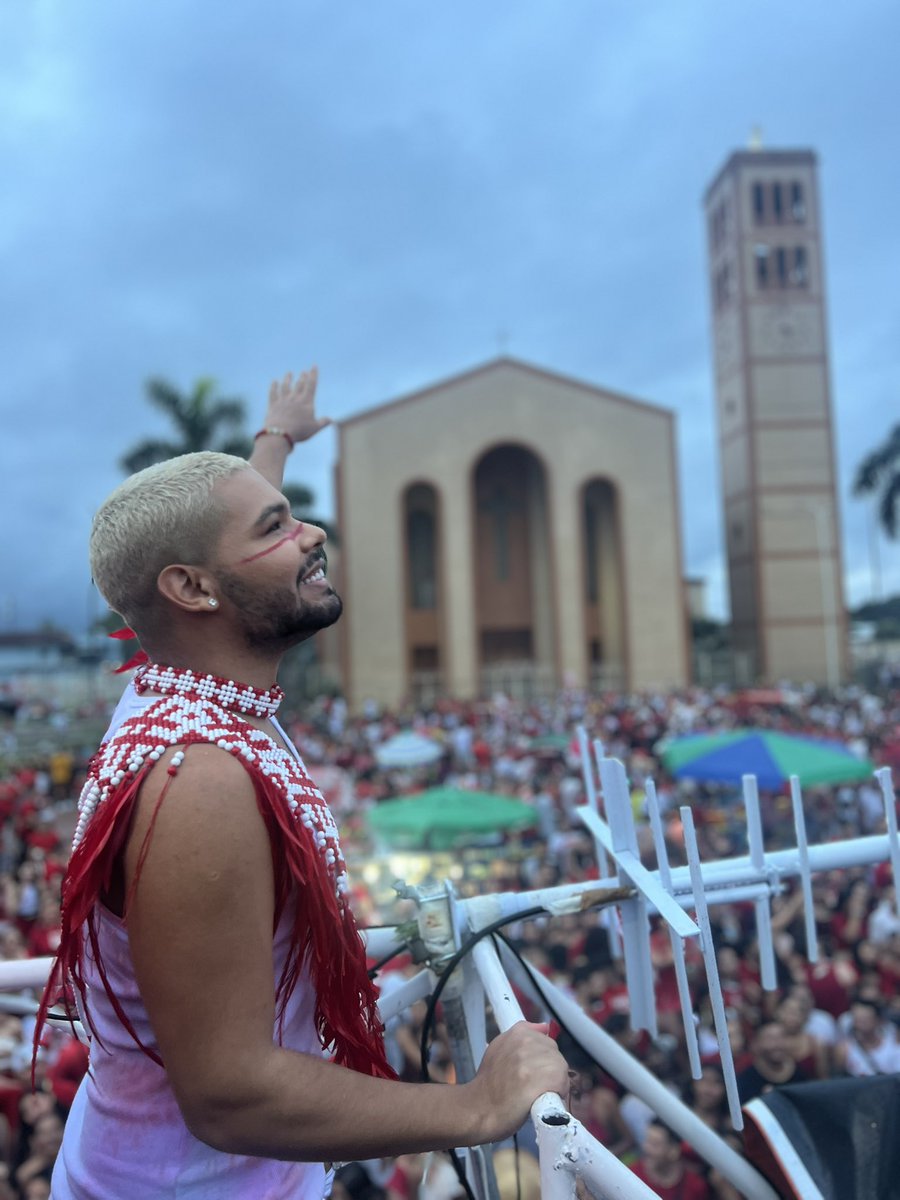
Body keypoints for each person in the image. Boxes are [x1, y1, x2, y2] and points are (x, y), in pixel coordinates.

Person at [36, 367, 569, 1199]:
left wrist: (275, 442)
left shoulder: (177, 681)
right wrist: (474, 1107)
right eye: (278, 524)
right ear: (192, 589)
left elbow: (218, 545)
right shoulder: (197, 783)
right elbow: (229, 1094)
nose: (311, 531)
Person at [629, 1120, 711, 1200]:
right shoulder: (632, 1175)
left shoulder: (695, 1186)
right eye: (647, 1140)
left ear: (674, 1151)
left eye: (655, 1145)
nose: (646, 1148)